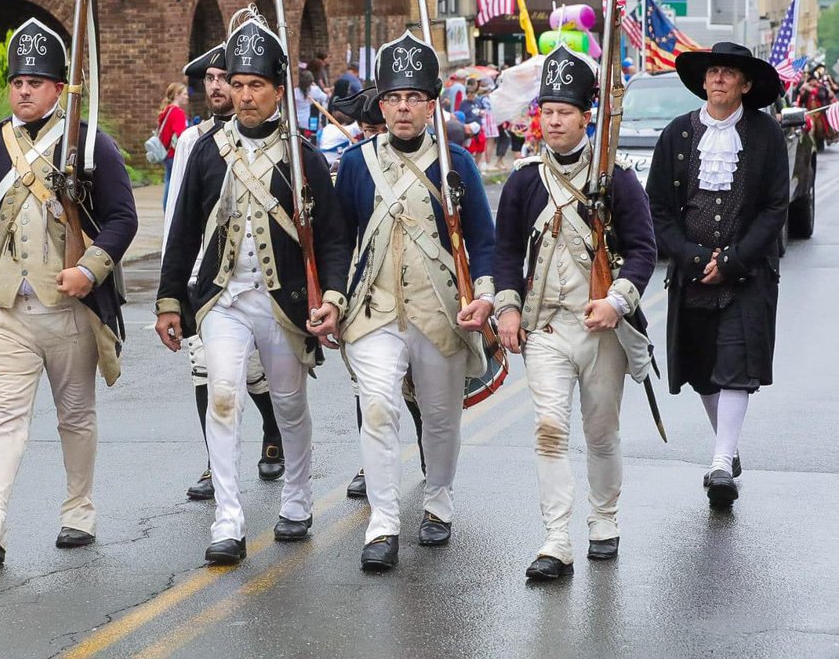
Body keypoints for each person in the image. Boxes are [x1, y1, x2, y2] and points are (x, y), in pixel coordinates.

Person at [156, 9, 349, 565]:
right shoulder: (205, 153)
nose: (243, 96)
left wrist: (331, 298)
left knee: (289, 405)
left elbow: (332, 240)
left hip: (283, 305)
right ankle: (228, 519)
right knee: (222, 397)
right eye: (236, 85)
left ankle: (297, 498)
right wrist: (171, 299)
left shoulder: (304, 156)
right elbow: (185, 228)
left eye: (255, 86)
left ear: (276, 89)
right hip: (222, 300)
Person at [0, 17, 137, 564]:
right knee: (6, 413)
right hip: (5, 307)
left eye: (35, 82)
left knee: (75, 413)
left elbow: (122, 219)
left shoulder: (88, 142)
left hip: (69, 306)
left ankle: (78, 511)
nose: (23, 91)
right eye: (17, 82)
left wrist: (91, 269)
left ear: (59, 88)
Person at [333, 32, 497, 571]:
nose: (402, 108)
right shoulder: (358, 166)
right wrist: (333, 298)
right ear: (381, 105)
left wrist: (488, 298)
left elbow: (485, 241)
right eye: (393, 99)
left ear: (431, 104)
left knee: (441, 416)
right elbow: (339, 239)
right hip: (376, 311)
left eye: (413, 98)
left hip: (440, 310)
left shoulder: (458, 166)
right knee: (378, 408)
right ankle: (382, 524)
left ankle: (438, 502)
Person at [493, 45, 658, 582]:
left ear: (587, 116)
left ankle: (604, 520)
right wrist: (508, 309)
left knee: (602, 431)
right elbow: (506, 252)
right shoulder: (522, 181)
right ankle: (556, 538)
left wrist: (617, 301)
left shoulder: (617, 180)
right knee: (547, 428)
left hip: (601, 329)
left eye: (564, 111)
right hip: (545, 327)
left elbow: (642, 250)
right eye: (547, 110)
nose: (553, 120)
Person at [646, 42, 788, 509]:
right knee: (703, 370)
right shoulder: (677, 134)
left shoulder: (766, 135)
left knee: (735, 368)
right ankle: (726, 450)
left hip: (747, 275)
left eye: (729, 73)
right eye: (714, 73)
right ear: (703, 82)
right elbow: (659, 209)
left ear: (746, 85)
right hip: (690, 274)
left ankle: (721, 463)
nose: (720, 79)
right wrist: (689, 258)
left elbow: (774, 209)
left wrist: (732, 261)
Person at [166, 43, 285, 500]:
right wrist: (172, 291)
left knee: (253, 373)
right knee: (207, 372)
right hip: (204, 276)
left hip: (256, 278)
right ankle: (216, 466)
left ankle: (273, 428)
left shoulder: (281, 141)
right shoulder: (194, 142)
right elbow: (180, 215)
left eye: (227, 78)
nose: (219, 87)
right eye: (213, 79)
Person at [330, 86, 427, 501]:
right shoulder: (354, 165)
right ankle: (371, 467)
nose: (371, 136)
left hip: (413, 289)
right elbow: (338, 236)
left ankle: (428, 453)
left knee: (420, 388)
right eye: (366, 128)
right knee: (368, 392)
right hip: (362, 292)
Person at [158, 82, 189, 210]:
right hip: (173, 153)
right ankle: (169, 210)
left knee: (168, 182)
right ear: (177, 95)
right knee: (173, 184)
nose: (187, 97)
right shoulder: (178, 112)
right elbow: (181, 135)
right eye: (185, 94)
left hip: (165, 152)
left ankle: (167, 209)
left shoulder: (166, 110)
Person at [293, 69, 328, 143]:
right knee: (312, 139)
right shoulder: (315, 90)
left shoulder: (295, 92)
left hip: (298, 121)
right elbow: (325, 97)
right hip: (311, 120)